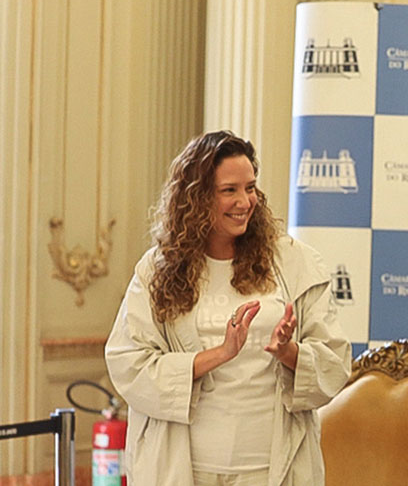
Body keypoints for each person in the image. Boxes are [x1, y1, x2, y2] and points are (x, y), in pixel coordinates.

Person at [105, 131, 352, 486]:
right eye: (229, 190)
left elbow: (335, 362)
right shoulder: (157, 270)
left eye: (250, 188)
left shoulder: (294, 262)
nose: (245, 201)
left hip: (273, 468)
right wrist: (219, 354)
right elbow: (129, 364)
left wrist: (289, 351)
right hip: (185, 467)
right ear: (196, 197)